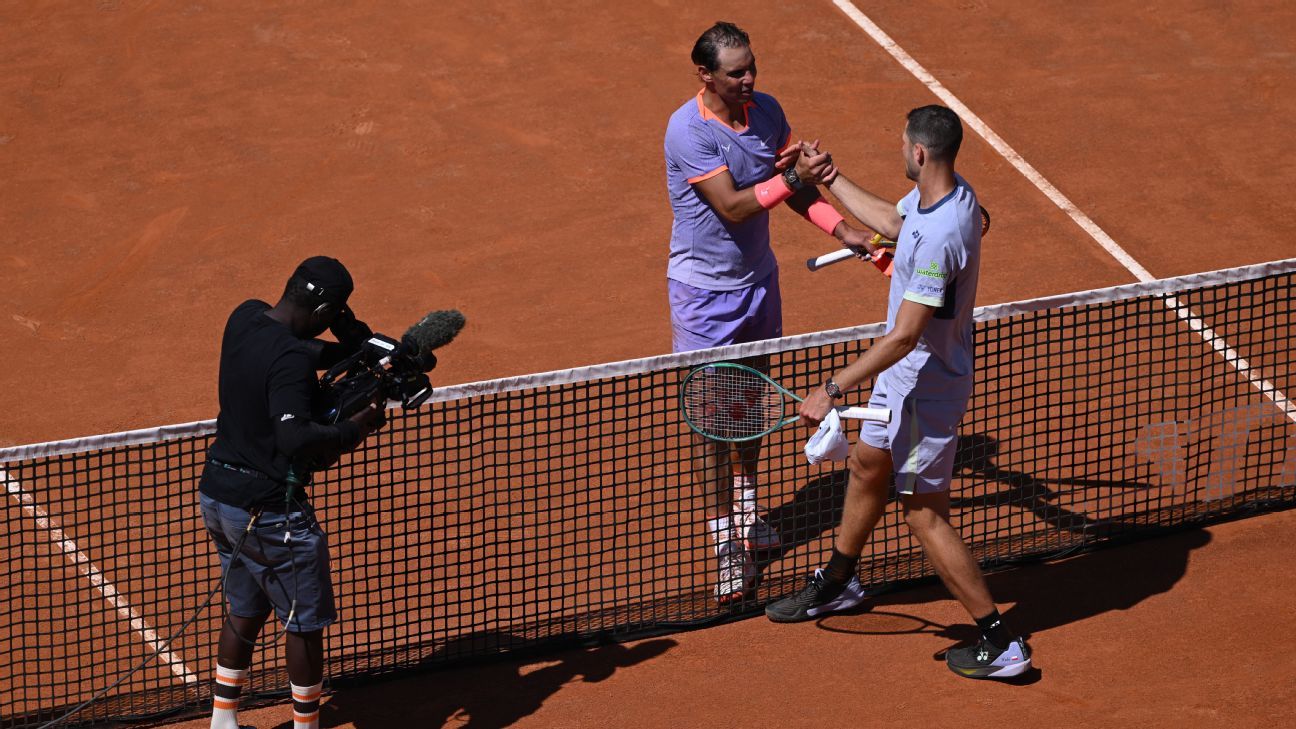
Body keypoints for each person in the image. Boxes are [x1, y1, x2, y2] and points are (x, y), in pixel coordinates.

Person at [764, 106, 1033, 679]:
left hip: (927, 387)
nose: (899, 150)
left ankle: (999, 639)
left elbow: (907, 334)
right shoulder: (950, 196)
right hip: (903, 380)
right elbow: (892, 218)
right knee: (865, 465)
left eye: (902, 144)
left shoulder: (938, 238)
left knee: (923, 515)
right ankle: (839, 581)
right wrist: (828, 177)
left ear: (919, 154)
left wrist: (831, 388)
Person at [664, 21, 878, 605]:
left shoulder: (766, 110)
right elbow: (735, 205)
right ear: (705, 75)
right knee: (712, 422)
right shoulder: (688, 132)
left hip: (759, 286)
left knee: (750, 406)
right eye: (736, 72)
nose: (749, 79)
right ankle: (724, 539)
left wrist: (847, 229)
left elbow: (796, 192)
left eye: (752, 66)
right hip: (704, 298)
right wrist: (791, 176)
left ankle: (749, 510)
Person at [198, 256, 386, 728]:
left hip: (219, 499)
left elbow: (302, 350)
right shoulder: (289, 361)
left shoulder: (244, 316)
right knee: (304, 623)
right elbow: (295, 439)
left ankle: (223, 721)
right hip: (268, 516)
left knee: (246, 608)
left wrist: (356, 348)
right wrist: (355, 427)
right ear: (324, 309)